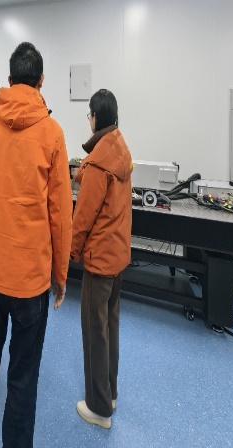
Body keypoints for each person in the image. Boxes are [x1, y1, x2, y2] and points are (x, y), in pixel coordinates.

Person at [0, 42, 72, 448]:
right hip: (31, 281)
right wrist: (60, 275)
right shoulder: (52, 134)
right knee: (22, 380)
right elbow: (60, 215)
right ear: (41, 81)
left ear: (9, 80)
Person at [70, 89, 133, 429]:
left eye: (89, 115)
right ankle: (109, 392)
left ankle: (98, 408)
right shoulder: (120, 149)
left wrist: (70, 253)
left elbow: (83, 218)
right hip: (118, 256)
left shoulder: (97, 163)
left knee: (95, 333)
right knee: (110, 327)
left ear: (95, 117)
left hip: (99, 260)